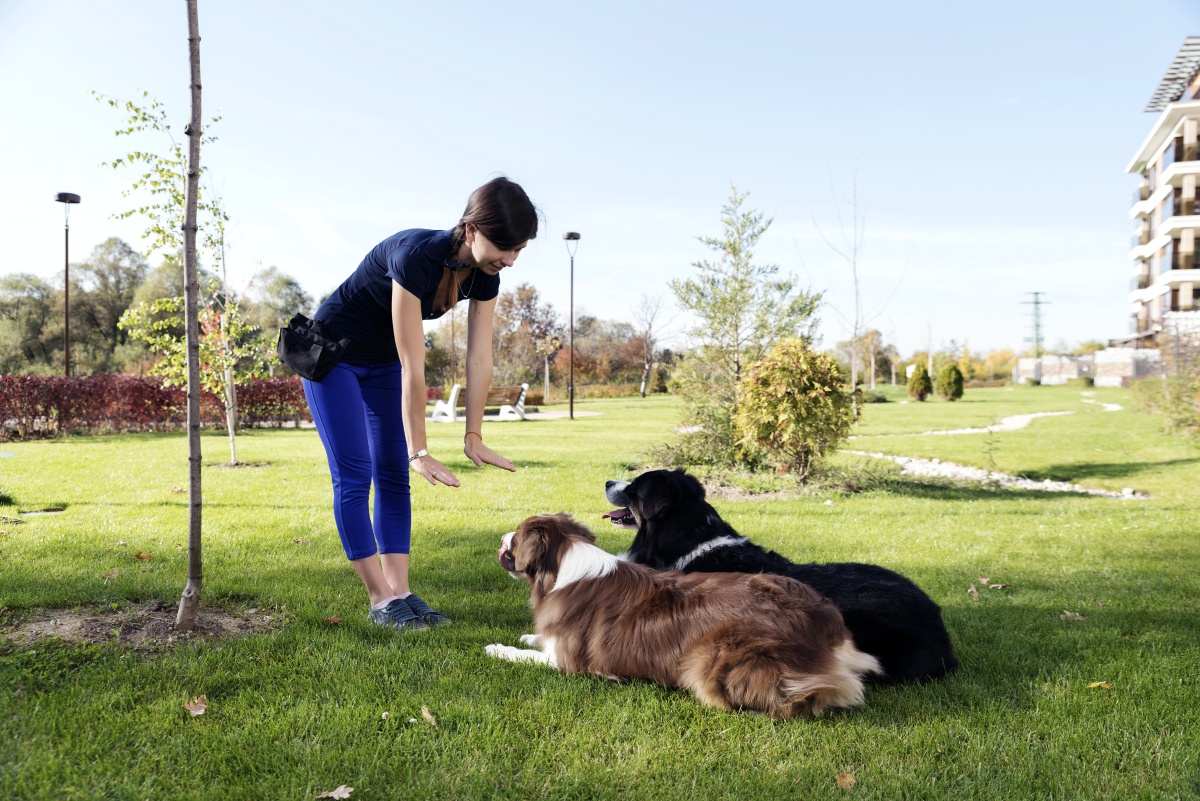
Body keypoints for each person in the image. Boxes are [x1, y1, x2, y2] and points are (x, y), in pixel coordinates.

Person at [302, 177, 538, 631]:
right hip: (334, 357)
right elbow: (415, 363)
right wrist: (421, 450)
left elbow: (479, 357)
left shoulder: (485, 276)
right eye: (504, 247)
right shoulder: (416, 256)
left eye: (518, 251)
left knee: (394, 476)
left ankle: (402, 593)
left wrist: (474, 435)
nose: (509, 259)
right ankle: (379, 599)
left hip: (382, 362)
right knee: (356, 474)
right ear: (471, 230)